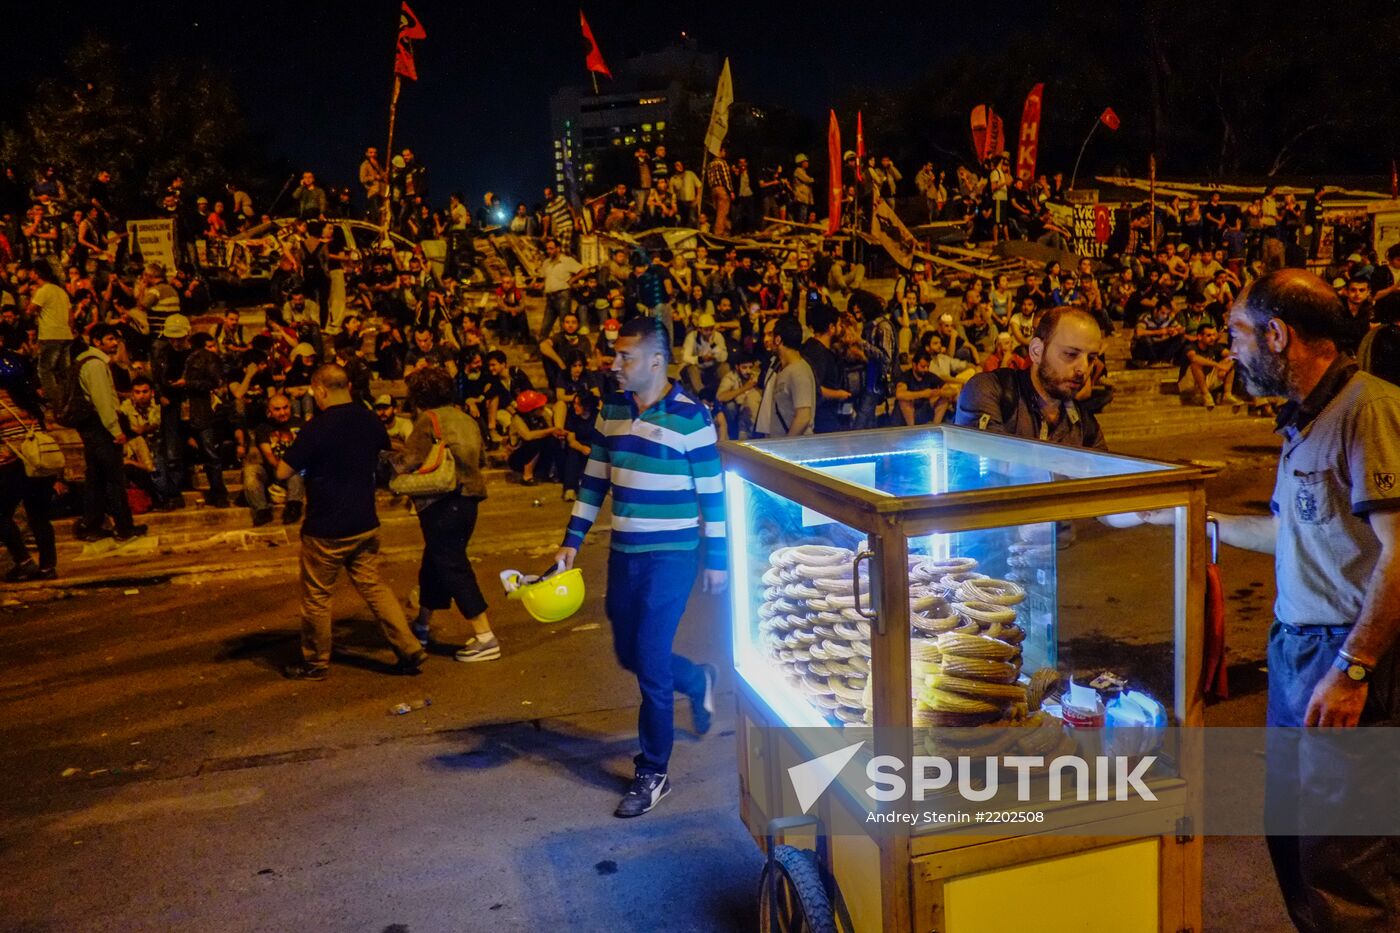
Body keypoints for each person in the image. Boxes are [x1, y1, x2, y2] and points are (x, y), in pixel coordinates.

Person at [1193, 270, 1400, 932]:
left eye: (1237, 334)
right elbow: (1289, 532)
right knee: (1295, 840)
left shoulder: (1368, 410)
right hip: (1296, 654)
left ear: (1277, 335)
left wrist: (1355, 666)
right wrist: (1186, 522)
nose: (1229, 348)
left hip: (1345, 656)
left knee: (1345, 863)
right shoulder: (1306, 422)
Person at [552, 316, 725, 818]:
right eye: (615, 354)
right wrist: (571, 543)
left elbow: (713, 497)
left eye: (624, 356)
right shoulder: (611, 410)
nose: (615, 364)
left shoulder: (692, 418)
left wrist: (717, 559)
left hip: (672, 558)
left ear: (656, 361)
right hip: (623, 554)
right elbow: (593, 481)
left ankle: (653, 771)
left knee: (648, 661)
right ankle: (695, 680)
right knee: (629, 653)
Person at [278, 364, 427, 680]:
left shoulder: (316, 427)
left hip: (326, 527)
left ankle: (315, 662)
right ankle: (409, 648)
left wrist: (310, 470)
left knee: (318, 597)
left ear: (320, 390)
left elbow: (282, 472)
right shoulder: (370, 420)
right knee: (373, 586)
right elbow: (382, 455)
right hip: (364, 520)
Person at [393, 366, 499, 663]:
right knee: (436, 561)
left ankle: (485, 636)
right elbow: (481, 458)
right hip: (469, 499)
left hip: (442, 501)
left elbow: (409, 460)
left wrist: (387, 460)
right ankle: (422, 625)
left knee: (452, 565)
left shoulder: (429, 419)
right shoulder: (466, 418)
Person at [955, 307, 1107, 449]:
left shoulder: (1083, 425)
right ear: (1036, 351)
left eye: (1091, 358)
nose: (1083, 369)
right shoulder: (989, 390)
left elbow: (1109, 474)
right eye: (1071, 354)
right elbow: (989, 465)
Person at [71, 325, 146, 541]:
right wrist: (116, 430)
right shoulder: (95, 365)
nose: (114, 344)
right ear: (97, 341)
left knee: (95, 478)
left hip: (92, 427)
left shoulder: (85, 361)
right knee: (114, 478)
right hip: (100, 427)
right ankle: (124, 527)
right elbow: (103, 401)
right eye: (110, 339)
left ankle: (91, 525)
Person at [0, 352, 57, 581]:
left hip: (10, 466)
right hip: (38, 465)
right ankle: (48, 566)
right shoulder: (28, 399)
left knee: (1, 515)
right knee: (39, 516)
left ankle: (24, 561)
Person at [242, 393, 304, 527]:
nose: (282, 412)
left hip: (297, 470)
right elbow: (269, 455)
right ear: (269, 411)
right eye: (277, 409)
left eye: (285, 408)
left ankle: (294, 507)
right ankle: (262, 510)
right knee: (251, 471)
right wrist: (281, 471)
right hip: (274, 470)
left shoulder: (300, 424)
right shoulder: (263, 428)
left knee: (296, 471)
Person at [756, 316, 815, 437]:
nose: (767, 340)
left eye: (771, 335)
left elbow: (803, 416)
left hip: (794, 448)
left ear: (778, 339)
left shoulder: (798, 372)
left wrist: (787, 444)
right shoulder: (781, 367)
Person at [26, 261, 72, 411]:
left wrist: (32, 295)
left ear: (37, 273)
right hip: (66, 334)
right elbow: (71, 317)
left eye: (31, 271)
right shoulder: (61, 291)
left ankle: (56, 404)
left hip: (51, 335)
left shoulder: (44, 290)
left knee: (45, 370)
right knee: (63, 371)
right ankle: (67, 403)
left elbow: (29, 311)